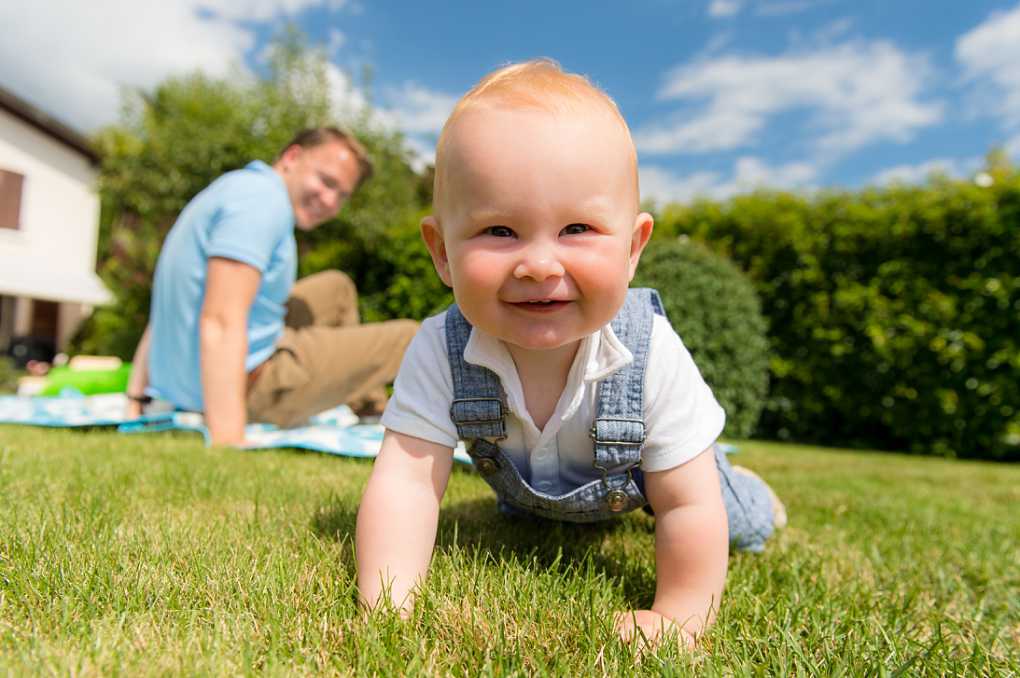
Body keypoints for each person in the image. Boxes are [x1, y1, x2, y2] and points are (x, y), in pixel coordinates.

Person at [355, 60, 786, 649]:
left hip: (659, 481)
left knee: (733, 517)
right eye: (500, 231)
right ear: (443, 253)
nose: (538, 264)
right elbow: (405, 481)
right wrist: (389, 603)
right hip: (535, 489)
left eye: (577, 228)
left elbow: (687, 504)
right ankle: (542, 506)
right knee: (530, 512)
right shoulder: (440, 346)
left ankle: (757, 494)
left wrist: (682, 614)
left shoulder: (647, 348)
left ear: (633, 249)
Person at [125, 127, 418, 445]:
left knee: (338, 288)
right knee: (411, 337)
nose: (331, 202)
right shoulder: (262, 204)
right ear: (292, 157)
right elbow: (222, 321)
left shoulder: (236, 186)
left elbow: (164, 311)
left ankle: (368, 407)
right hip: (245, 385)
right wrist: (228, 439)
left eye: (342, 195)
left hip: (203, 368)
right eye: (326, 181)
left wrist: (135, 398)